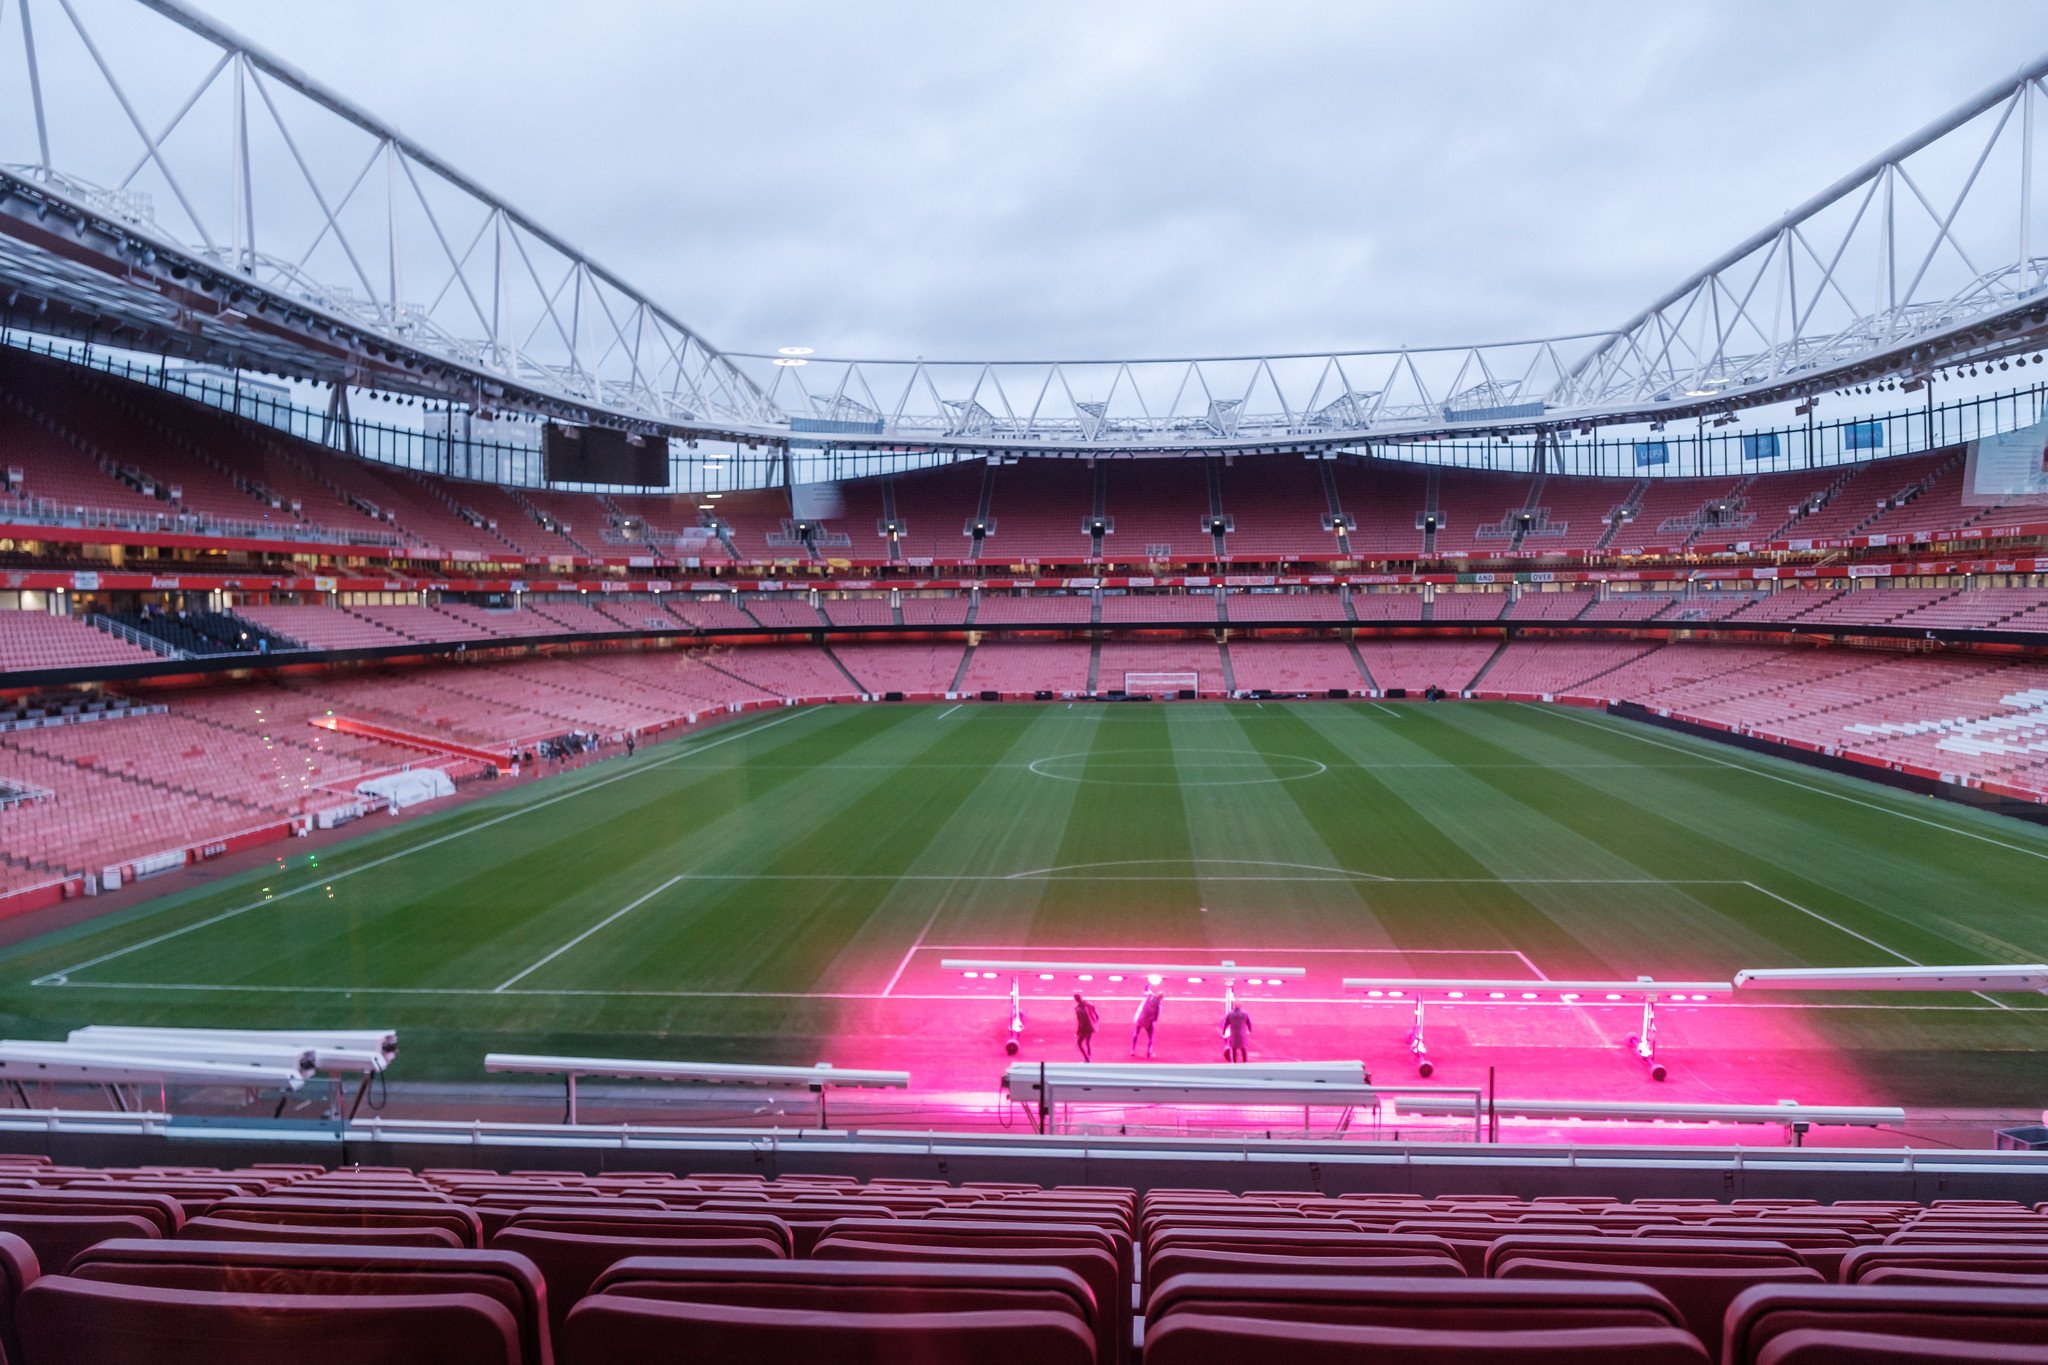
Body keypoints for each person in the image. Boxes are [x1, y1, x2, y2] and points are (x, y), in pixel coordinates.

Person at [1130, 976, 1165, 1058]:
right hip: (1148, 1022)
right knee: (1151, 1037)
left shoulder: (1150, 996)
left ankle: (1132, 1050)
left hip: (1140, 1019)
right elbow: (1156, 1017)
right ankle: (1149, 1053)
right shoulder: (1159, 1006)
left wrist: (1149, 982)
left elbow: (1145, 989)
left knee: (1136, 1033)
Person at [1073, 991, 1100, 1061]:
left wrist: (1078, 1032)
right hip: (1091, 1026)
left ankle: (1087, 1058)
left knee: (1079, 1043)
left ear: (1076, 1000)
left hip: (1086, 1028)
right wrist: (1095, 1019)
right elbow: (1094, 1010)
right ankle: (1089, 1057)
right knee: (1088, 1042)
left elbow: (1080, 1023)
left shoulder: (1079, 1010)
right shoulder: (1087, 1004)